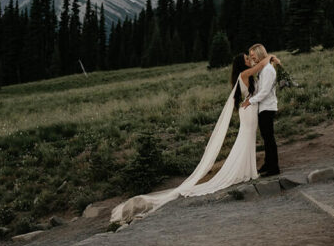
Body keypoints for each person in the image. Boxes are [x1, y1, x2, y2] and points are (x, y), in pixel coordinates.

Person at [110, 51, 278, 224]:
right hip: (248, 111)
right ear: (241, 64)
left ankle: (249, 169)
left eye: (250, 58)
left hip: (250, 110)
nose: (250, 60)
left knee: (247, 140)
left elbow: (260, 73)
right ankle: (243, 170)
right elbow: (259, 66)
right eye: (247, 59)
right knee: (245, 139)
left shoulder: (247, 75)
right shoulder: (244, 74)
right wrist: (270, 57)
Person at [242, 43, 279, 176]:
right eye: (250, 56)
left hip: (268, 107)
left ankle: (274, 168)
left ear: (259, 53)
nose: (252, 58)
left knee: (269, 138)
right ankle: (267, 164)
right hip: (263, 107)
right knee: (266, 137)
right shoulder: (263, 69)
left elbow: (264, 92)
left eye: (253, 55)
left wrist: (249, 102)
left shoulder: (268, 69)